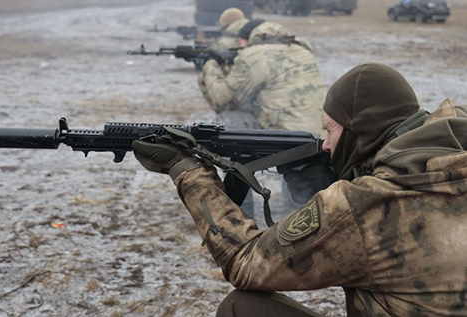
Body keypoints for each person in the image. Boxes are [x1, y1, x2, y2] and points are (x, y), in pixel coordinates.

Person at [132, 63, 467, 316]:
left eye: (331, 132)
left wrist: (189, 173)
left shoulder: (366, 204)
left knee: (242, 307)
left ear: (358, 132)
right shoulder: (453, 157)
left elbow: (245, 263)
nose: (326, 145)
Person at [199, 19, 325, 135]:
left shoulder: (252, 56)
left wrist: (210, 63)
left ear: (249, 38)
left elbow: (222, 99)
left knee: (228, 118)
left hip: (288, 138)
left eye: (240, 42)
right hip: (319, 135)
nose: (238, 49)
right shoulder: (303, 51)